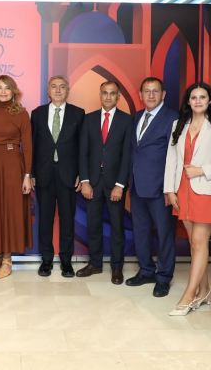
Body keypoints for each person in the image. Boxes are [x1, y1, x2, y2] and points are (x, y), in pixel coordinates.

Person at [164, 83, 211, 315]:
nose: (198, 101)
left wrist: (202, 170)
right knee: (194, 243)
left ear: (209, 100)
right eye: (194, 97)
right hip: (182, 189)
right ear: (188, 101)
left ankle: (188, 297)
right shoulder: (178, 124)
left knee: (200, 243)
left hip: (206, 190)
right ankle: (205, 291)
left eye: (203, 97)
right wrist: (170, 190)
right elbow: (171, 158)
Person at [126, 77, 178, 297]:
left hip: (160, 189)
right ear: (140, 95)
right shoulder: (137, 117)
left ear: (163, 94)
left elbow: (175, 155)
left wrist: (169, 188)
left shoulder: (173, 118)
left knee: (165, 234)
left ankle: (164, 277)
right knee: (141, 231)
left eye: (155, 91)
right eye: (147, 91)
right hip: (137, 186)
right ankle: (146, 270)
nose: (151, 95)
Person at [0, 75, 34, 279]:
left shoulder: (21, 113)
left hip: (13, 164)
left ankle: (8, 258)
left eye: (7, 88)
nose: (3, 92)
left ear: (14, 91)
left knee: (10, 210)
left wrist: (27, 175)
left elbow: (28, 146)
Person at [77, 80, 132, 285]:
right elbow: (82, 152)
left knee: (117, 227)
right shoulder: (89, 119)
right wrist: (84, 180)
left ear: (118, 96)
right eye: (105, 93)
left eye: (112, 93)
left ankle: (117, 267)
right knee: (93, 225)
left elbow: (127, 155)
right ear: (99, 95)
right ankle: (95, 264)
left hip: (114, 183)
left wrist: (120, 184)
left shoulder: (127, 120)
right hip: (92, 182)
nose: (108, 96)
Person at [31, 75, 85, 278]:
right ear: (48, 91)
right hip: (43, 174)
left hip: (68, 175)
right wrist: (31, 173)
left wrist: (82, 174)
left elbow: (83, 147)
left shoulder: (78, 113)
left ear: (68, 91)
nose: (58, 90)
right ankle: (46, 260)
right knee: (45, 220)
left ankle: (66, 261)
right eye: (54, 86)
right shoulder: (37, 113)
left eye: (62, 87)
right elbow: (32, 145)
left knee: (67, 220)